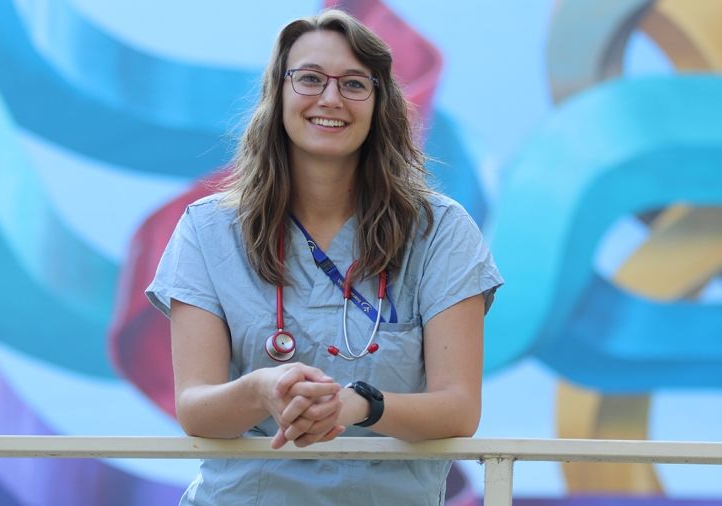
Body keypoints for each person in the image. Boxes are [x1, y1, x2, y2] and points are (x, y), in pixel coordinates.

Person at [145, 8, 502, 506]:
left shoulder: (440, 230)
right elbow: (195, 408)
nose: (330, 98)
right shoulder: (208, 230)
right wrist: (260, 390)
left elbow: (459, 409)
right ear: (278, 94)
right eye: (310, 78)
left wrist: (358, 406)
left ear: (381, 103)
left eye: (355, 84)